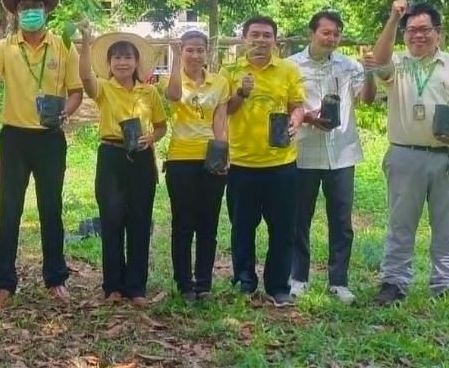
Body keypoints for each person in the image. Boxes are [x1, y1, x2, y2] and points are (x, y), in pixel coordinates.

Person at [369, 0, 449, 304]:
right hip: (405, 155)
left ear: (438, 32)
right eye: (411, 30)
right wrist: (393, 19)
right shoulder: (397, 64)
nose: (417, 36)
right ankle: (394, 282)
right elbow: (377, 61)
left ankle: (447, 282)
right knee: (400, 223)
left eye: (424, 29)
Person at [0, 0, 84, 310]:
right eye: (24, 7)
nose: (31, 11)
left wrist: (64, 114)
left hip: (50, 139)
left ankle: (56, 279)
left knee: (51, 209)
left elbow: (76, 90)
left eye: (36, 6)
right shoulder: (5, 47)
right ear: (16, 13)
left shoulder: (64, 45)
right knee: (9, 210)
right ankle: (3, 283)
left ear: (47, 10)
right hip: (15, 138)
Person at [286, 11, 378, 304]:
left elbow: (367, 98)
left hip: (341, 153)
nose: (332, 38)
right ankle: (297, 277)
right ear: (311, 33)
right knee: (299, 218)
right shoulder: (290, 67)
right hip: (303, 152)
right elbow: (284, 105)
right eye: (326, 32)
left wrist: (371, 72)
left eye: (337, 33)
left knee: (341, 219)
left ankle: (339, 281)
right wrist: (308, 117)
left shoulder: (349, 65)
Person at [77, 22, 167, 306]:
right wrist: (86, 43)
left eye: (128, 57)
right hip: (111, 157)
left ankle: (136, 288)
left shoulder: (149, 92)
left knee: (140, 222)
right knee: (112, 221)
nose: (122, 62)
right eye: (116, 57)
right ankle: (113, 287)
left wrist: (151, 138)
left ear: (136, 61)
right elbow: (84, 78)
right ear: (108, 63)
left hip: (140, 159)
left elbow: (162, 126)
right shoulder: (103, 88)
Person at [222, 16, 306, 307]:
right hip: (242, 163)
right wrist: (241, 93)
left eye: (267, 35)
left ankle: (277, 285)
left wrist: (295, 122)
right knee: (242, 227)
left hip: (281, 163)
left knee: (283, 229)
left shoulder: (288, 69)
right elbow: (225, 110)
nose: (260, 40)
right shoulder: (230, 70)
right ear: (244, 38)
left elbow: (297, 106)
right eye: (254, 34)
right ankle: (244, 281)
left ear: (275, 39)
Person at [163, 30, 230, 302]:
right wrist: (176, 62)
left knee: (208, 224)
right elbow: (173, 94)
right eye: (189, 50)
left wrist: (224, 155)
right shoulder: (175, 78)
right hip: (180, 159)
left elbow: (220, 123)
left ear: (207, 52)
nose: (195, 55)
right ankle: (184, 284)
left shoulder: (220, 83)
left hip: (210, 159)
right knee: (183, 224)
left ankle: (203, 283)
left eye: (199, 50)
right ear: (182, 50)